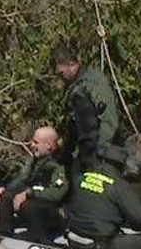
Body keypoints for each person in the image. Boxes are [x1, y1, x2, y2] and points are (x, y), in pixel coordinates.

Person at [64, 161, 141, 249]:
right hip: (99, 244)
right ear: (121, 166)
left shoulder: (82, 177)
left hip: (73, 238)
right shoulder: (119, 186)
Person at [54, 41, 127, 176]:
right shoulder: (74, 87)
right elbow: (73, 123)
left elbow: (109, 118)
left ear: (72, 64)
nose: (60, 77)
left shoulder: (94, 83)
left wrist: (101, 150)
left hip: (102, 151)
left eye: (61, 72)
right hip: (84, 151)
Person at [0, 125, 68, 241]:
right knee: (6, 196)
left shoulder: (60, 166)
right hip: (35, 199)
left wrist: (30, 193)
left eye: (36, 142)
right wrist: (4, 189)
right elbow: (22, 179)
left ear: (48, 145)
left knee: (28, 206)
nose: (32, 145)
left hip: (54, 210)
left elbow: (56, 194)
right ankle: (4, 229)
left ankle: (37, 235)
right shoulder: (36, 160)